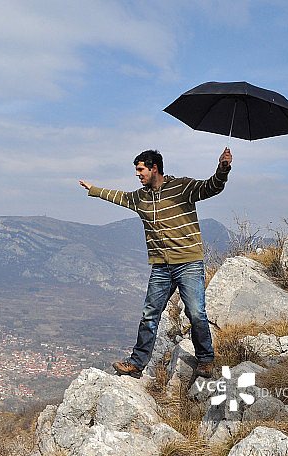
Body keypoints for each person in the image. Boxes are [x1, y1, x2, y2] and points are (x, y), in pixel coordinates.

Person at [79, 148, 232, 379]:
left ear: (154, 168)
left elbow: (211, 187)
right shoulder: (140, 197)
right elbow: (118, 196)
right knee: (150, 315)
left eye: (141, 170)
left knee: (196, 313)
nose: (138, 174)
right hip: (161, 266)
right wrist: (94, 190)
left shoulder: (182, 187)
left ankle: (206, 358)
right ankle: (137, 364)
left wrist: (223, 168)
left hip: (188, 262)